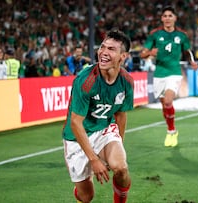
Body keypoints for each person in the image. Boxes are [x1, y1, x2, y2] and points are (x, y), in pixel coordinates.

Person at [62, 30, 134, 203]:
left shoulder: (127, 82)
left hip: (104, 129)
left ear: (122, 56)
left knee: (121, 167)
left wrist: (119, 144)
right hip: (77, 136)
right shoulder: (85, 80)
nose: (103, 52)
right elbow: (75, 123)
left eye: (111, 49)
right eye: (102, 47)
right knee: (86, 197)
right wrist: (94, 159)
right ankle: (80, 187)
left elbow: (120, 115)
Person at [140, 5, 198, 147]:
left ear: (175, 18)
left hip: (174, 72)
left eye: (170, 16)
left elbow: (187, 51)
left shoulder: (182, 35)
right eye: (165, 16)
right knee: (164, 106)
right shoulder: (155, 34)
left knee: (168, 101)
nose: (167, 18)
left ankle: (171, 131)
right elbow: (142, 53)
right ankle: (170, 128)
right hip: (159, 73)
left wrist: (192, 62)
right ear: (161, 18)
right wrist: (149, 53)